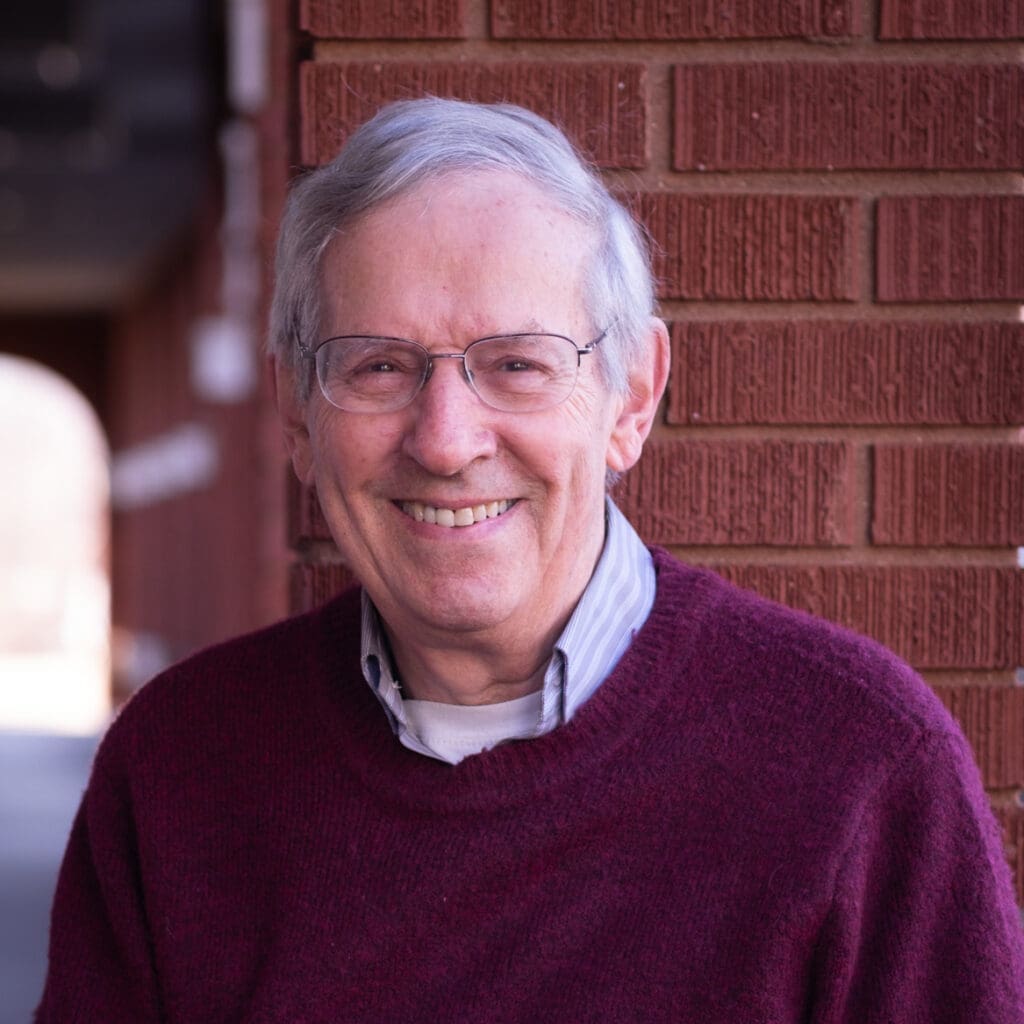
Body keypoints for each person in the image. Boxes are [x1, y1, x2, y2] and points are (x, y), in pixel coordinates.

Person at [37, 98, 1024, 1022]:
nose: (445, 437)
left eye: (516, 363)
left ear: (631, 398)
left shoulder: (857, 764)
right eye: (378, 364)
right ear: (297, 413)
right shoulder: (180, 766)